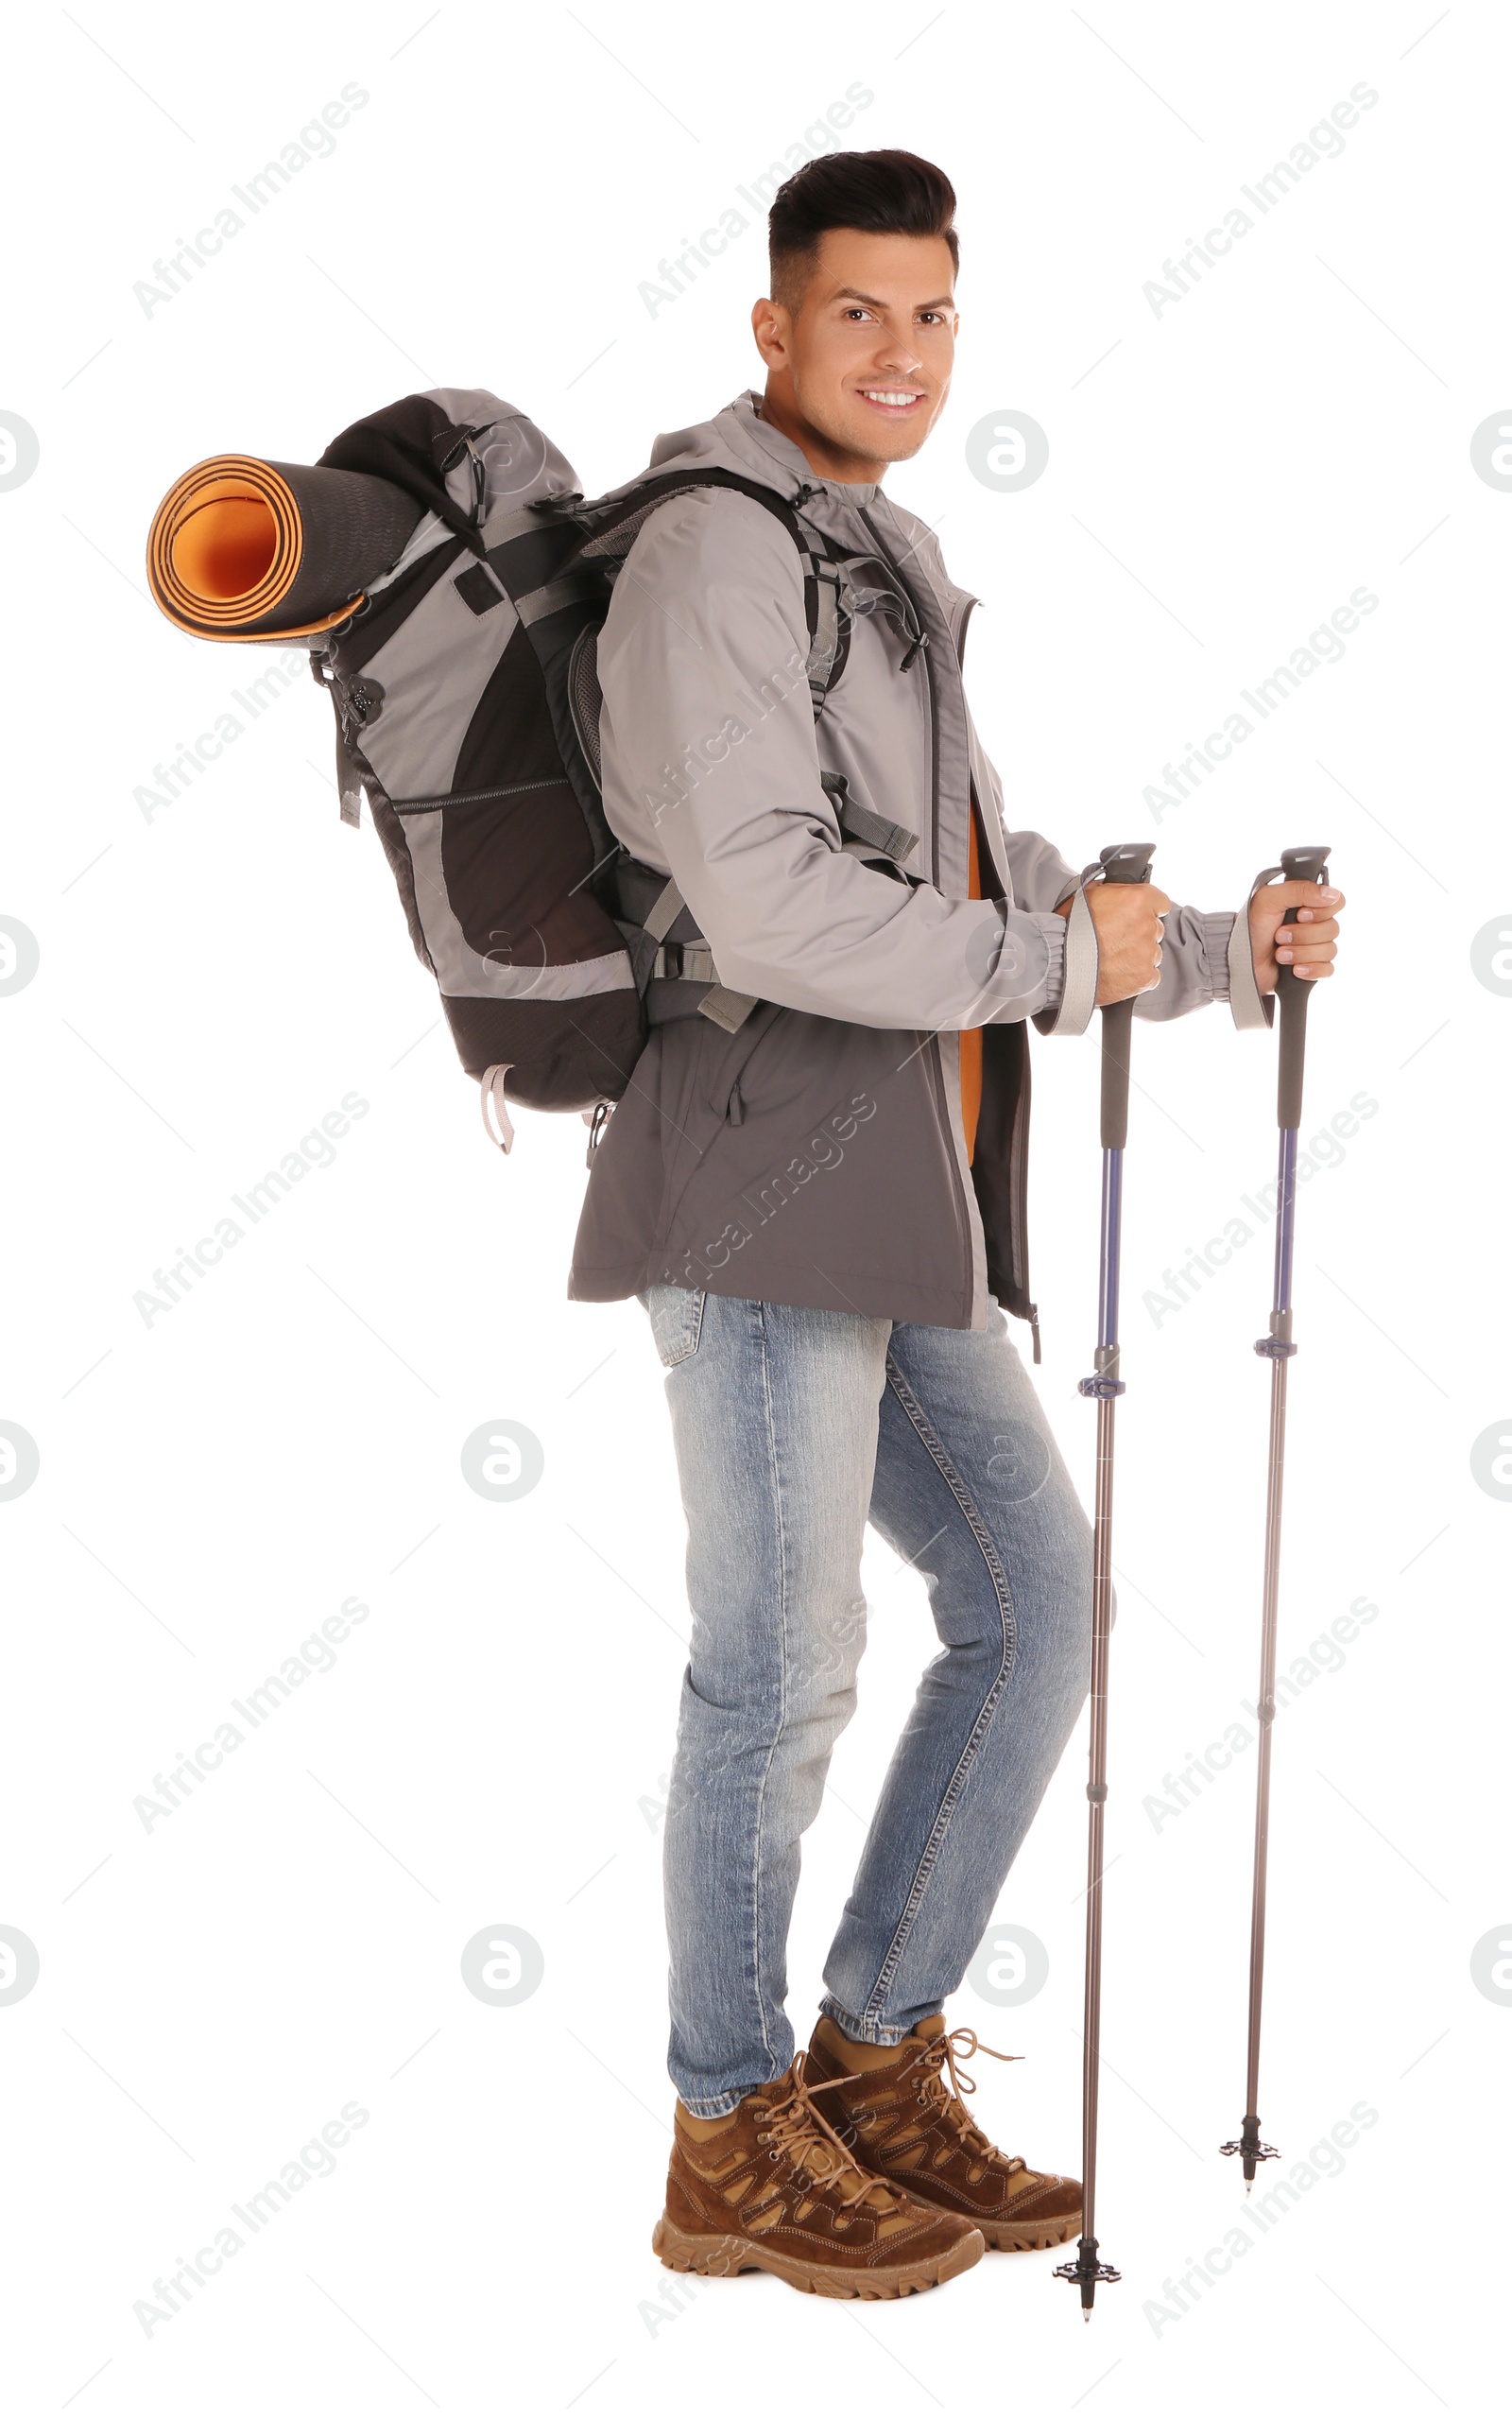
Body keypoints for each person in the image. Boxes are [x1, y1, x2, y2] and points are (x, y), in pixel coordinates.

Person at [568, 148, 1346, 2299]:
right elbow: (776, 903)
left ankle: (871, 2052)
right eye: (856, 314)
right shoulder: (715, 560)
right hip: (747, 1180)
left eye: (929, 317)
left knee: (1031, 1600)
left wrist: (1204, 951)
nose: (898, 354)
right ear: (769, 326)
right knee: (781, 1667)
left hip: (891, 1186)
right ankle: (725, 2127)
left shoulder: (874, 550)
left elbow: (989, 884)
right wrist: (1056, 963)